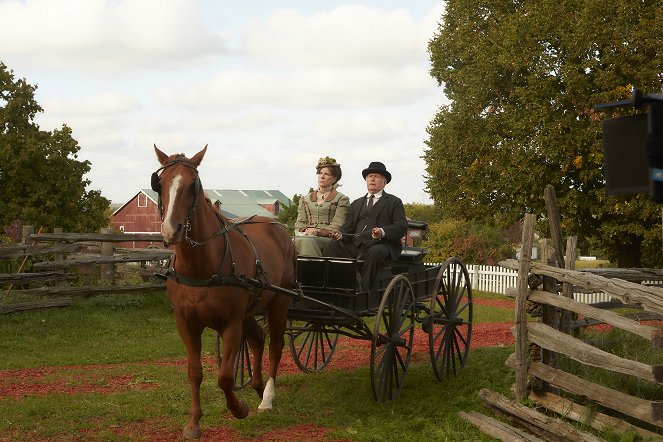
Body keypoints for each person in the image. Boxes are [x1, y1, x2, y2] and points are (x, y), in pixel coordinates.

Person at [322, 161, 408, 291]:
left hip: (382, 246)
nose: (372, 179)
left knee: (375, 251)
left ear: (384, 182)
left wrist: (382, 231)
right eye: (370, 176)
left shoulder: (394, 202)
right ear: (366, 180)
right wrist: (340, 235)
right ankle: (340, 285)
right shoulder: (356, 203)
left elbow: (401, 226)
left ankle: (364, 290)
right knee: (330, 246)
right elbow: (348, 228)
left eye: (377, 176)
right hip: (357, 246)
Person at [294, 156, 350, 256]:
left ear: (334, 178)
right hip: (305, 236)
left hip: (328, 239)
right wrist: (306, 230)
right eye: (320, 173)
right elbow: (299, 224)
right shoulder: (305, 199)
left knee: (307, 241)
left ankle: (312, 270)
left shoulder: (342, 199)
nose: (322, 176)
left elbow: (338, 224)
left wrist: (318, 232)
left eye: (326, 174)